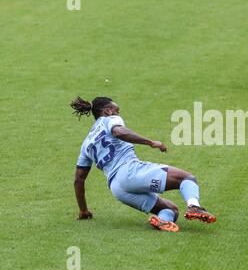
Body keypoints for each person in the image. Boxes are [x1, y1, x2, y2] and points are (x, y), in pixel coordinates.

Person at [71, 96, 216, 232]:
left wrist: (83, 210)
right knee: (186, 178)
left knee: (171, 210)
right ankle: (194, 207)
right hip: (130, 172)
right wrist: (150, 142)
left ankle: (162, 221)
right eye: (117, 110)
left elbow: (79, 179)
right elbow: (119, 132)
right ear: (108, 111)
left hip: (118, 189)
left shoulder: (86, 144)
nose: (118, 113)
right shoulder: (109, 120)